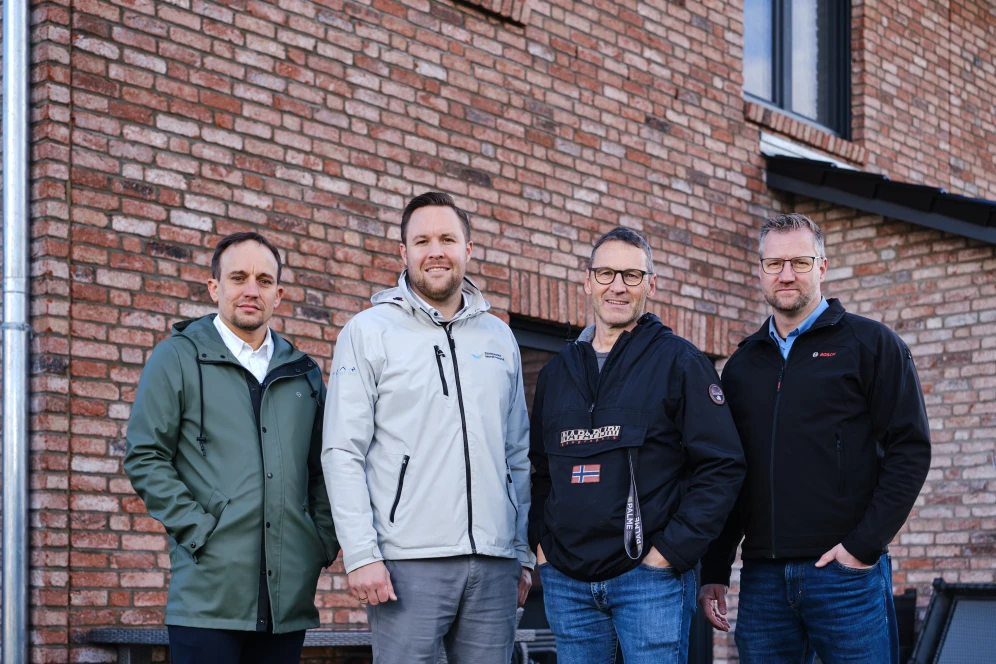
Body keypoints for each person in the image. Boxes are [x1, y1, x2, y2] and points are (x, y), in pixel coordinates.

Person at [699, 213, 931, 664]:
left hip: (845, 577)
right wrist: (716, 568)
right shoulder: (743, 366)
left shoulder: (871, 345)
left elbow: (910, 450)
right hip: (763, 580)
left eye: (800, 262)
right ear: (760, 271)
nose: (786, 274)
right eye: (774, 264)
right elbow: (731, 471)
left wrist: (862, 548)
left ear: (822, 267)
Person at [322, 191, 534, 664]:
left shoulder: (500, 337)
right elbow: (342, 451)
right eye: (422, 240)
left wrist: (521, 552)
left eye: (447, 239)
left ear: (468, 249)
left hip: (495, 565)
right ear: (403, 253)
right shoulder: (368, 331)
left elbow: (517, 454)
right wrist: (361, 554)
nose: (435, 250)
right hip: (405, 564)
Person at [528, 227, 746, 664]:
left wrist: (670, 553)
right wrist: (542, 545)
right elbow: (539, 470)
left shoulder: (681, 363)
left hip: (648, 582)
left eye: (631, 274)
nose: (618, 286)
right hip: (567, 582)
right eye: (606, 273)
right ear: (588, 280)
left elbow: (722, 466)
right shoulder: (557, 373)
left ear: (650, 284)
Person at [124, 232, 338, 664]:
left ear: (278, 295)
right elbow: (145, 456)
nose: (250, 290)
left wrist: (319, 543)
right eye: (238, 277)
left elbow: (325, 468)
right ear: (214, 287)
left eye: (263, 280)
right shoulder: (177, 359)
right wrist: (200, 531)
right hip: (207, 599)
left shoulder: (304, 375)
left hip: (287, 604)